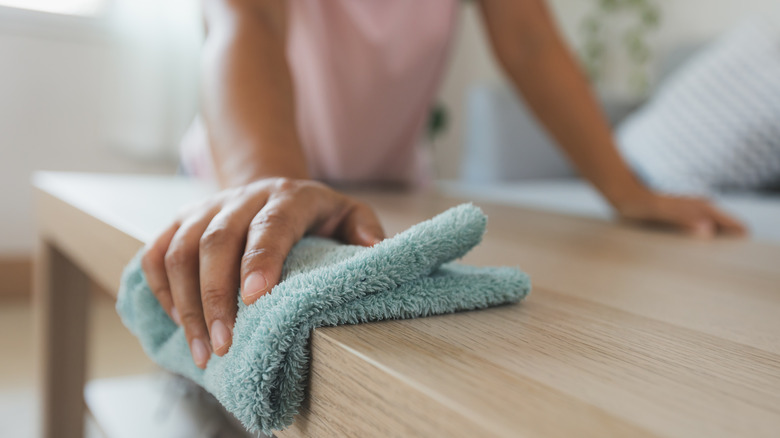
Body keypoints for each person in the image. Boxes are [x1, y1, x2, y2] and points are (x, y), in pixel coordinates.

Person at [141, 0, 746, 369]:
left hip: (386, 191)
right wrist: (270, 185)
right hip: (239, 179)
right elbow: (244, 20)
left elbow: (531, 43)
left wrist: (624, 187)